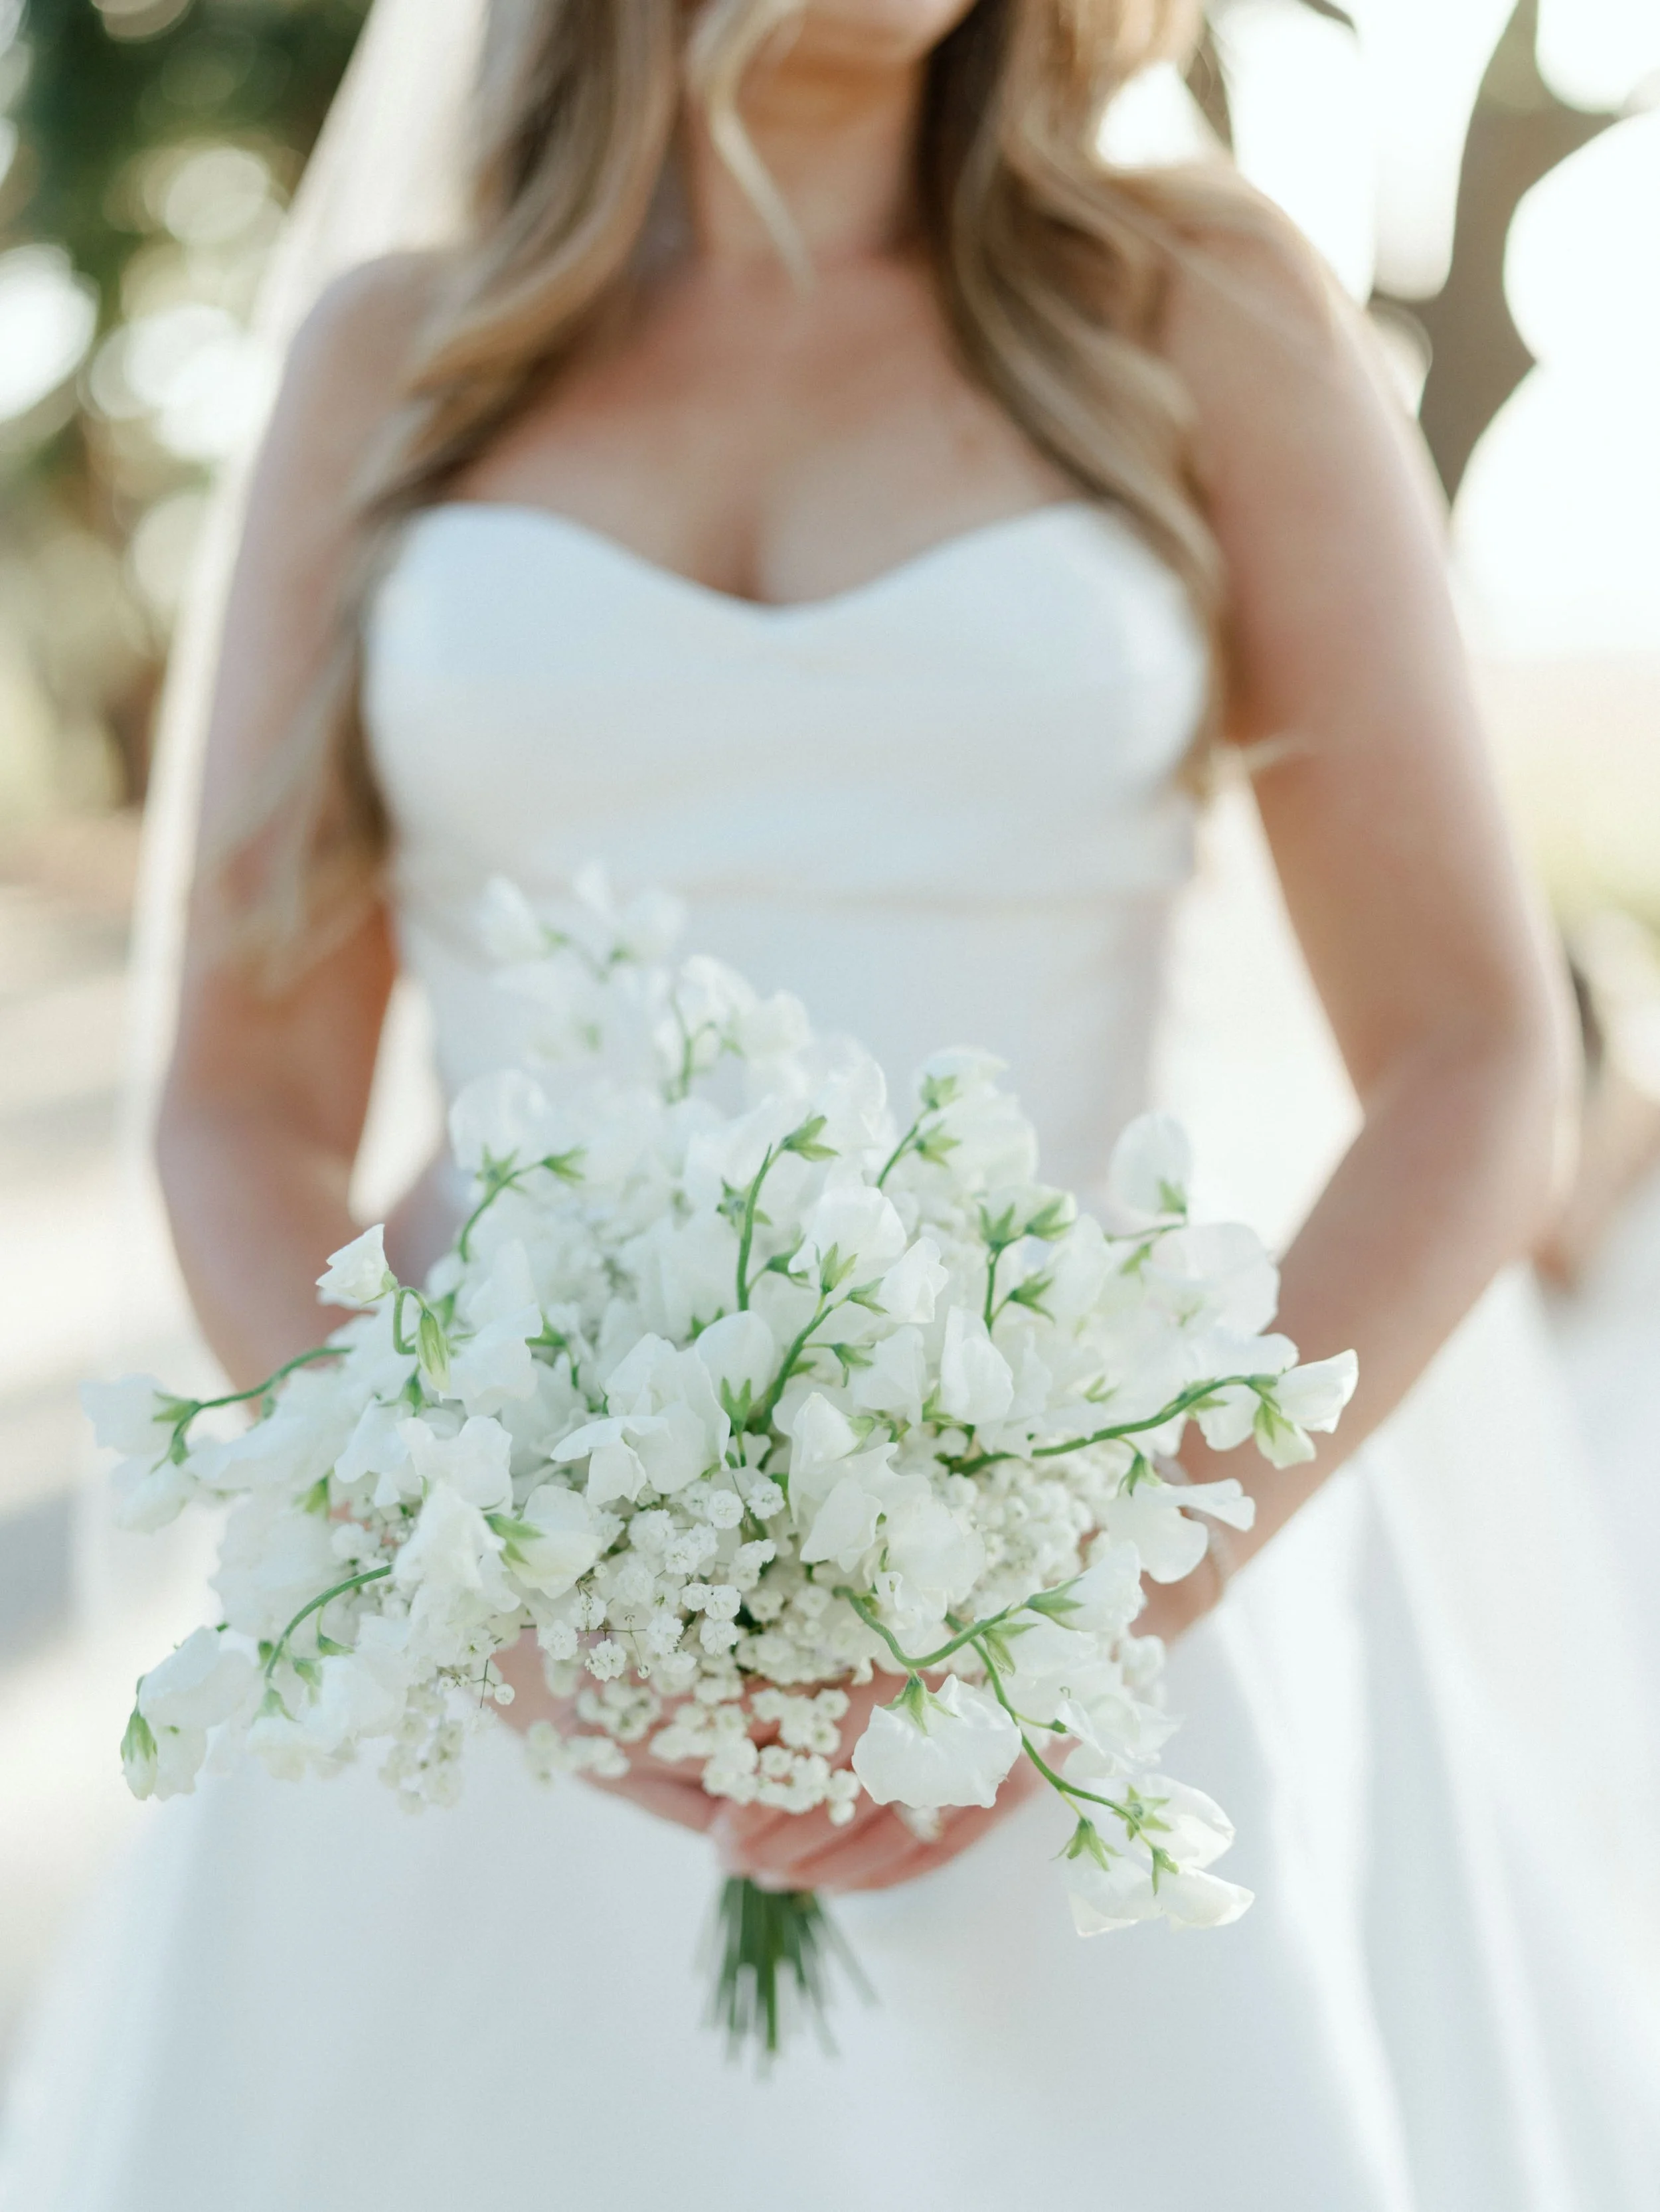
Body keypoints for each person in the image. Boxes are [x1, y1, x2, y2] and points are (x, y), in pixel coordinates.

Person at [5, 1, 1657, 2205]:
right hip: (507, 1614)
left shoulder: (1194, 308)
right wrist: (473, 1577)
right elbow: (240, 1105)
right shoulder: (389, 357)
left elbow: (1474, 1057)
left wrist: (1088, 1592)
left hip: (1085, 1599)